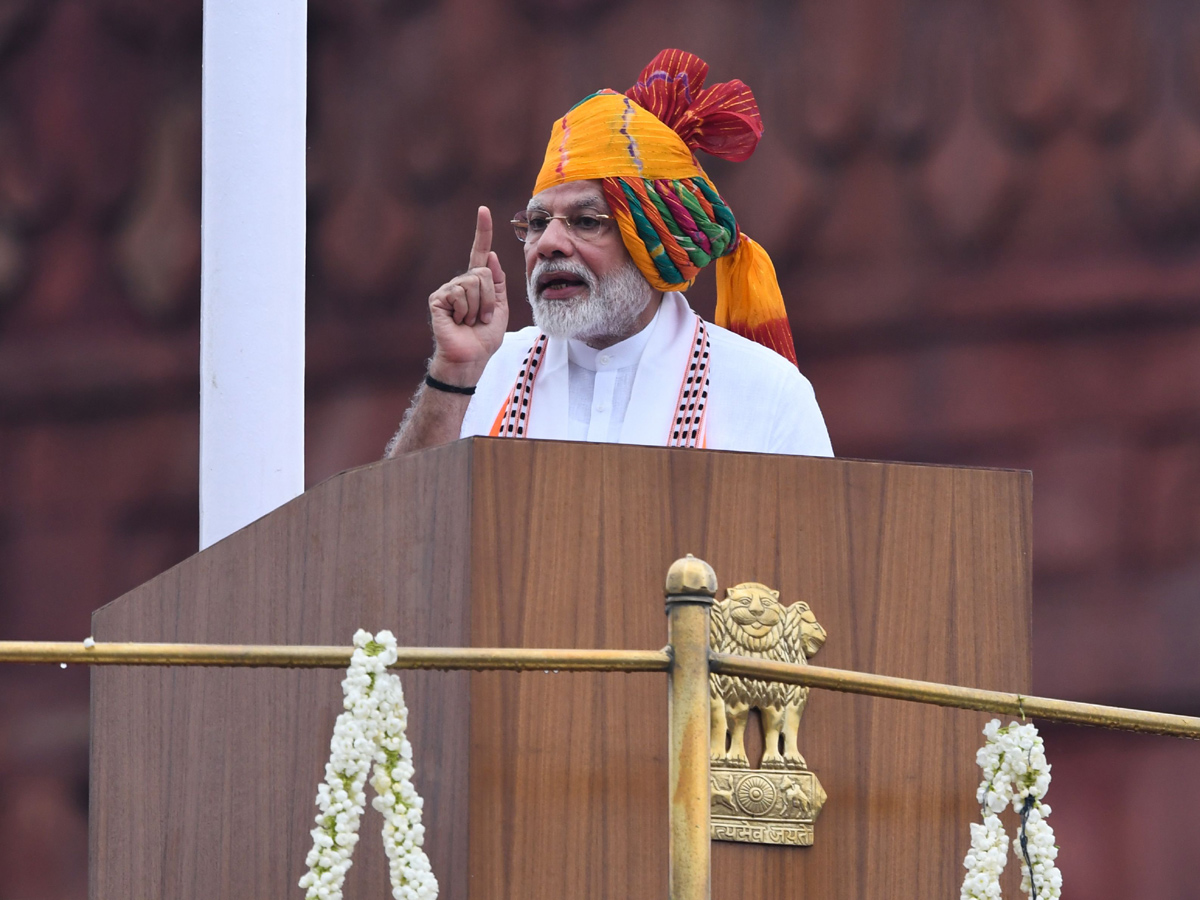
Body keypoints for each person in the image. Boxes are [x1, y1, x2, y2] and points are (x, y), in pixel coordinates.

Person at [385, 49, 832, 458]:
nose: (548, 245)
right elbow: (397, 527)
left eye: (585, 221)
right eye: (537, 223)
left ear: (652, 243)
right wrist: (453, 371)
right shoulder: (485, 371)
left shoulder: (764, 390)